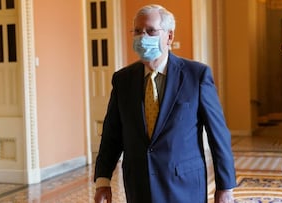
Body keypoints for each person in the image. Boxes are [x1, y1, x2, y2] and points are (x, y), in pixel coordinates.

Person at [94, 4, 237, 203]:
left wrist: (225, 187)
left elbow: (218, 134)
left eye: (150, 31)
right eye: (137, 31)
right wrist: (103, 180)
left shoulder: (196, 75)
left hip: (184, 187)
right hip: (139, 186)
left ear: (169, 37)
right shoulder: (122, 80)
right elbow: (112, 134)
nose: (142, 37)